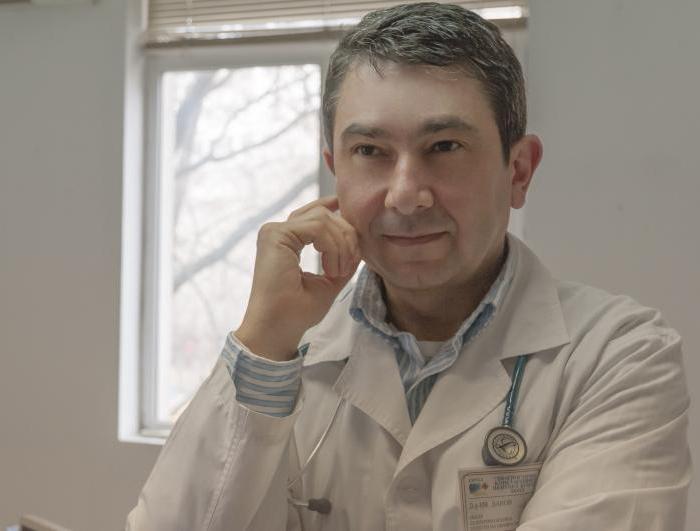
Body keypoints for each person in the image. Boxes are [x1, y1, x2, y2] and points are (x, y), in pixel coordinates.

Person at [126, 3, 691, 530]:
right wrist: (264, 339)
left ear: (518, 171)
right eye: (370, 152)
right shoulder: (284, 357)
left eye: (443, 147)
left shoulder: (619, 355)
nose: (405, 195)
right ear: (335, 171)